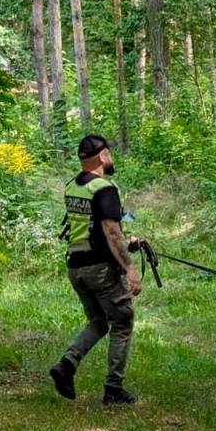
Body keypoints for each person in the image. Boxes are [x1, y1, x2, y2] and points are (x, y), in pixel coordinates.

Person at [49, 134, 143, 405]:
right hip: (100, 270)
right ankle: (114, 389)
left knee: (99, 322)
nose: (111, 158)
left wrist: (128, 243)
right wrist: (130, 268)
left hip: (76, 267)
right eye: (109, 154)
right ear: (102, 156)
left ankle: (66, 365)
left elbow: (89, 227)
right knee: (122, 321)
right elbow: (110, 232)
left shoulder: (73, 186)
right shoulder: (103, 188)